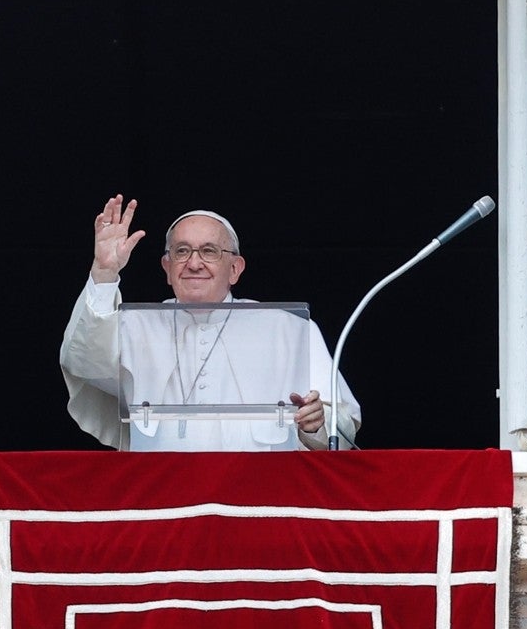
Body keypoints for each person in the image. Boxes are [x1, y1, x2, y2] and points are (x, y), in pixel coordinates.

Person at [60, 193, 361, 450]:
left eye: (209, 251)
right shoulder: (135, 325)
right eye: (181, 251)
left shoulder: (291, 330)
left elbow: (342, 429)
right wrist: (104, 273)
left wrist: (315, 424)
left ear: (234, 269)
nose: (193, 263)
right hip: (165, 499)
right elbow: (83, 362)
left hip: (258, 500)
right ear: (167, 268)